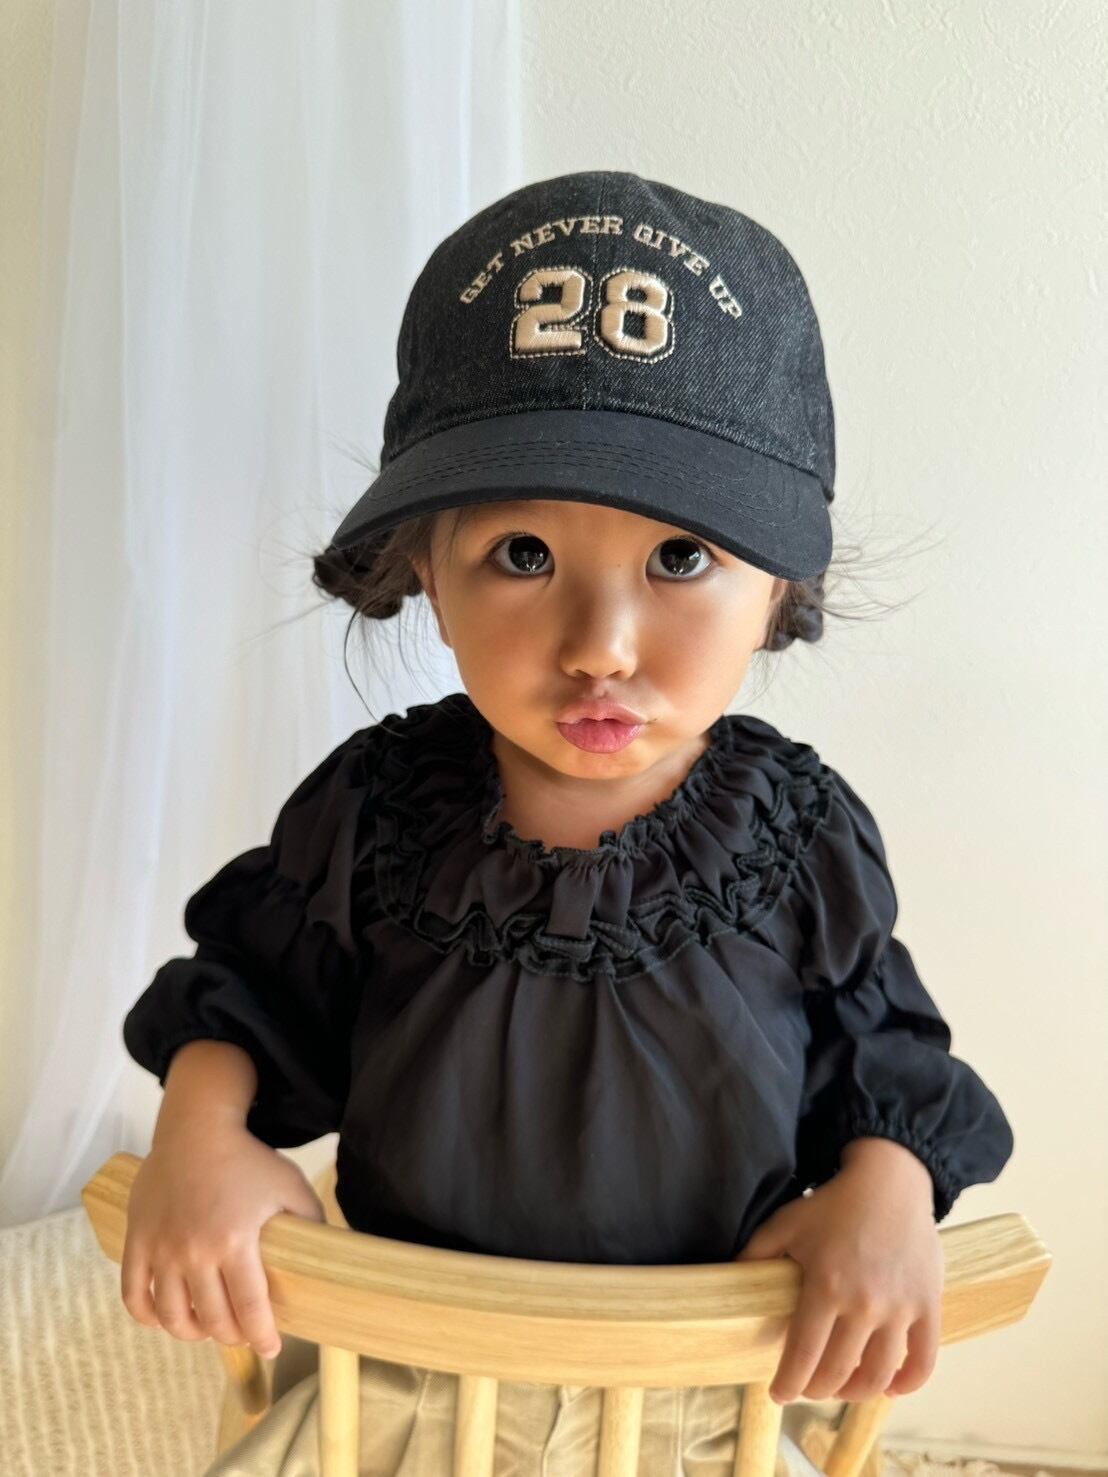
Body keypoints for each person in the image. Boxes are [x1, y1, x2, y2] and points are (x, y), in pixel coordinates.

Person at [119, 170, 1015, 1476]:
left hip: (702, 1403)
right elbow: (249, 990)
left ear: (778, 588)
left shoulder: (799, 840)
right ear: (429, 573)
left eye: (681, 558)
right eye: (524, 555)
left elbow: (887, 1057)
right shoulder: (377, 811)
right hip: (402, 1386)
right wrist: (200, 1131)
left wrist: (887, 1191)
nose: (602, 645)